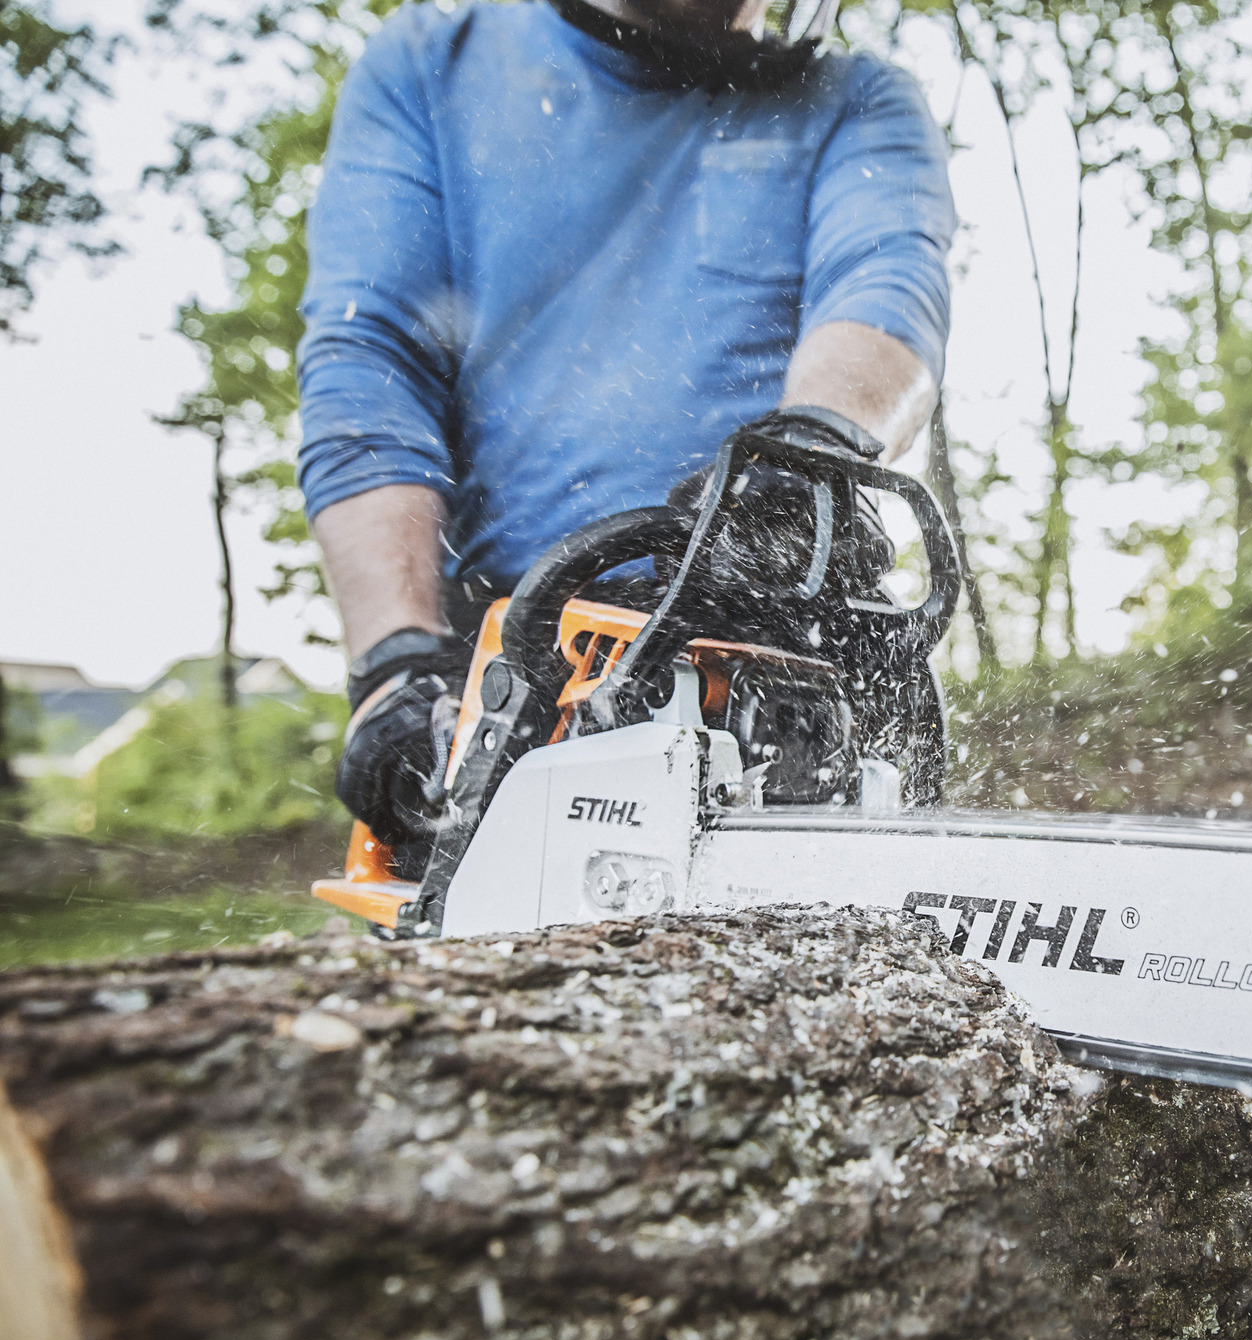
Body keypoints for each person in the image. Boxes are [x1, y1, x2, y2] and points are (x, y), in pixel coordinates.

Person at [298, 0, 955, 870]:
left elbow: (885, 288)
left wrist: (810, 455)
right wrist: (395, 661)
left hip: (778, 628)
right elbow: (371, 359)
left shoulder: (855, 96)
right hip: (514, 665)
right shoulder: (434, 63)